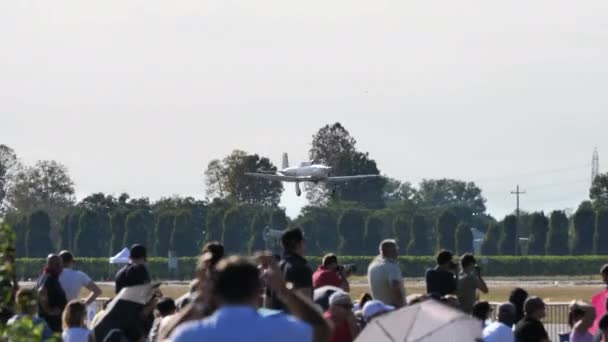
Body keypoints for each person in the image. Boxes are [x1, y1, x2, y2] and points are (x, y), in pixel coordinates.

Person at [169, 255, 330, 342]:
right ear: (258, 290)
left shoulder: (189, 334)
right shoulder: (283, 328)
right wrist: (283, 289)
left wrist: (200, 299)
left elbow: (163, 338)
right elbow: (322, 329)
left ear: (215, 291)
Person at [367, 239, 405, 308]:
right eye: (396, 249)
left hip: (378, 308)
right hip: (392, 309)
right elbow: (395, 288)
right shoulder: (392, 267)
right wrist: (402, 307)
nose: (398, 252)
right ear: (392, 251)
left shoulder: (372, 266)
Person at [37, 254, 68, 332]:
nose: (61, 268)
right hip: (51, 325)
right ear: (50, 265)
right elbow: (41, 291)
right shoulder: (49, 278)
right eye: (58, 265)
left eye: (60, 265)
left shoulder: (47, 277)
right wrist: (49, 311)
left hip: (51, 323)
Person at [279, 228, 313, 299]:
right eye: (303, 240)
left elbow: (268, 304)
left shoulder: (276, 268)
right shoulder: (302, 268)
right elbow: (306, 303)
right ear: (299, 243)